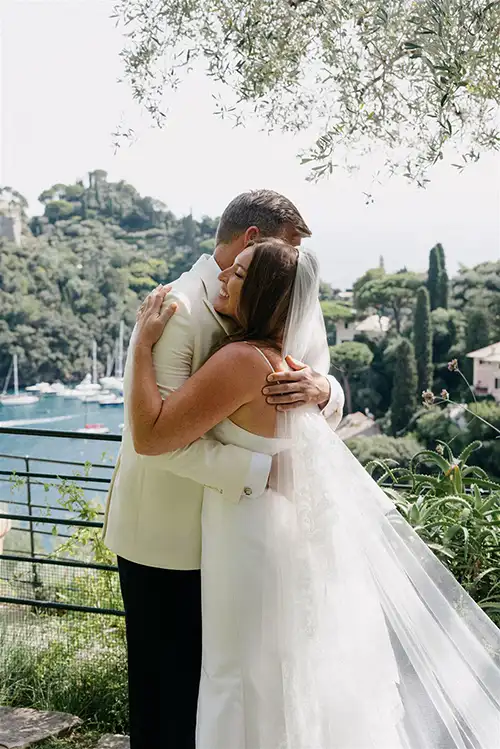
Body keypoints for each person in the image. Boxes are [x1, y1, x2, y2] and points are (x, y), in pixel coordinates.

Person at [131, 238, 500, 749]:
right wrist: (323, 388)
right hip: (271, 528)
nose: (223, 279)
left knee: (238, 674)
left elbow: (150, 436)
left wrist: (141, 347)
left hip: (249, 533)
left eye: (236, 275)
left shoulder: (241, 360)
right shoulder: (280, 360)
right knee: (277, 672)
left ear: (259, 293)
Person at [103, 190, 344, 749]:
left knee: (245, 678)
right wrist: (262, 473)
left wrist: (326, 390)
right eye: (290, 248)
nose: (297, 267)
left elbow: (318, 382)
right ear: (253, 243)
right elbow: (154, 440)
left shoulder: (285, 293)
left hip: (244, 535)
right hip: (166, 537)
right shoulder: (177, 310)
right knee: (171, 698)